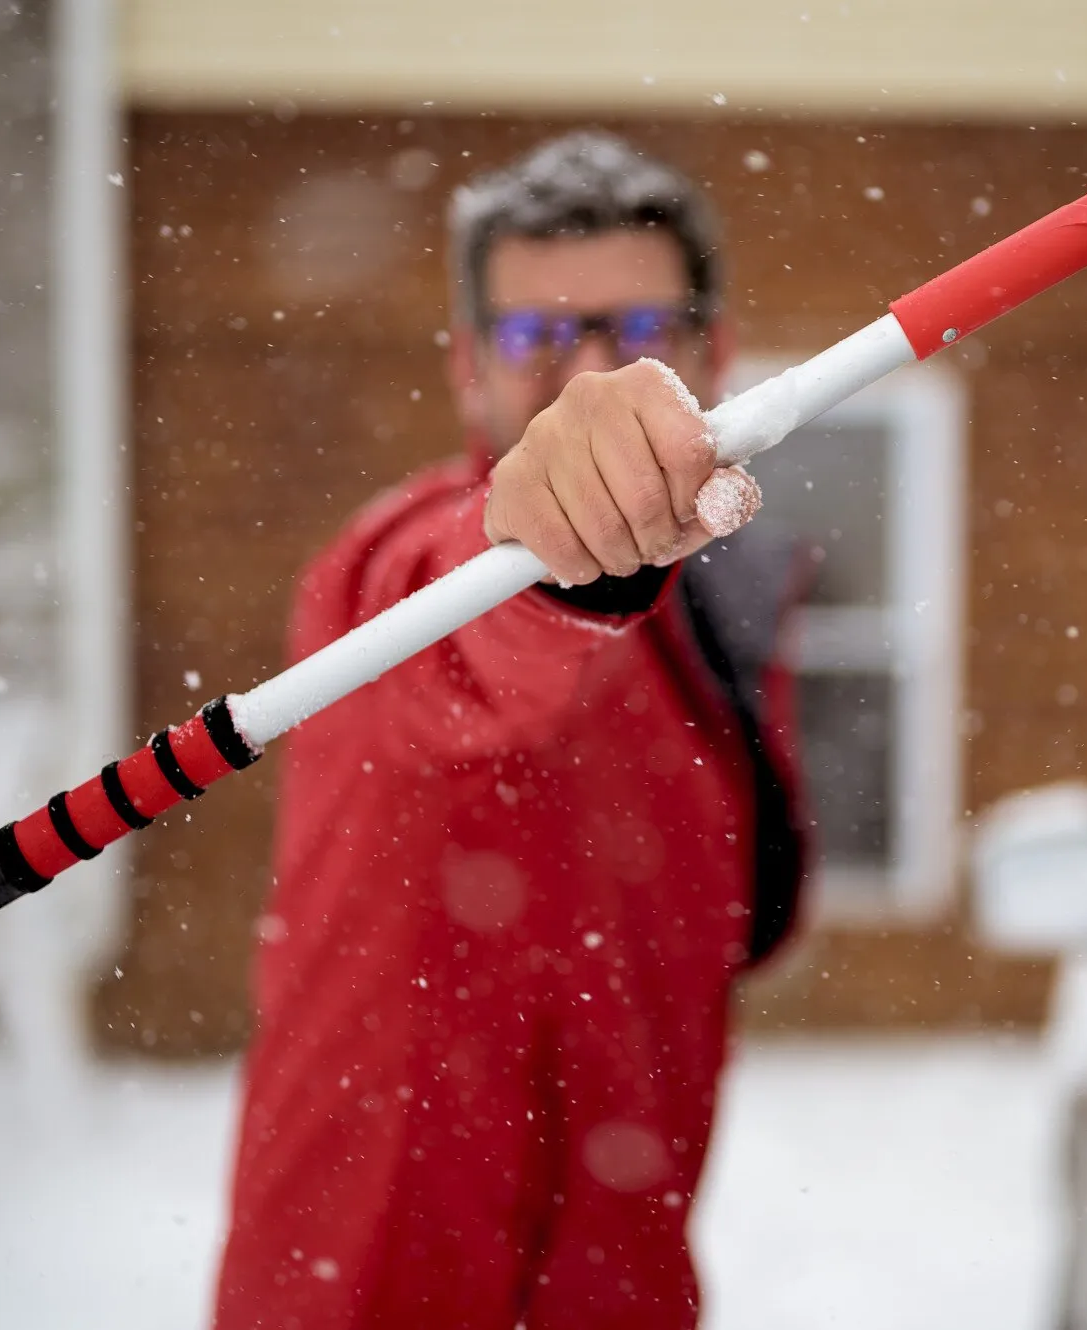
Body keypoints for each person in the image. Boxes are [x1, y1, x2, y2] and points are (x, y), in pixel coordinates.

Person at [213, 131, 807, 1330]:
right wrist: (547, 571)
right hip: (362, 1290)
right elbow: (467, 643)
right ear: (468, 370)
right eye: (535, 337)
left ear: (715, 352)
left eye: (635, 335)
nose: (585, 379)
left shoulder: (719, 624)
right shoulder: (393, 579)